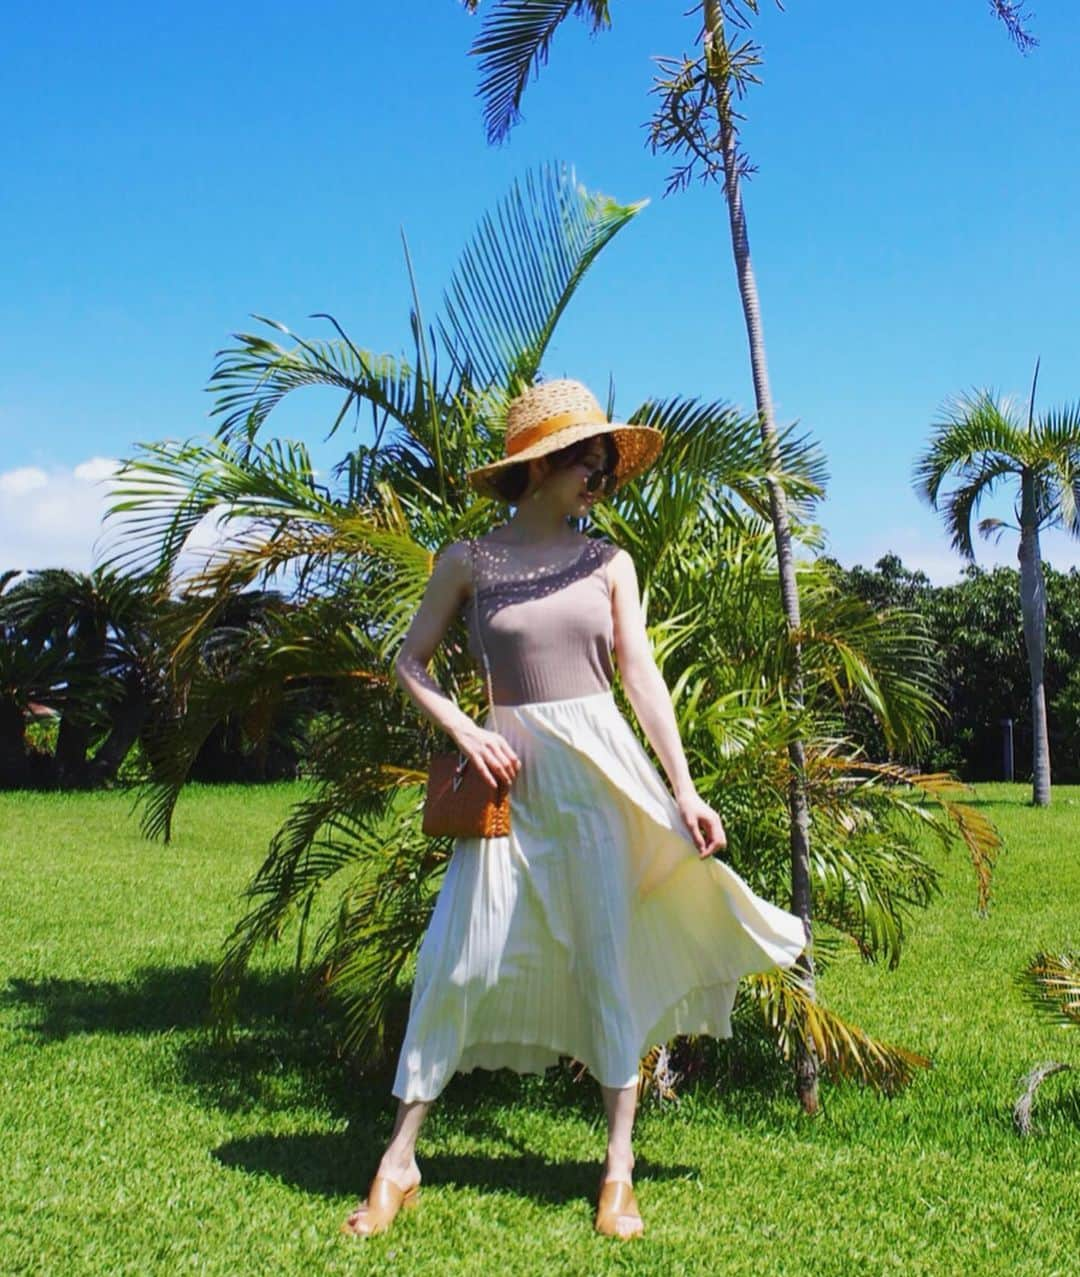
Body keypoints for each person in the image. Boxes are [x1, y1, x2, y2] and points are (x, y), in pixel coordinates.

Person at [341, 379, 807, 1241]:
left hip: (596, 778)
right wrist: (464, 730)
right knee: (457, 960)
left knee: (605, 963)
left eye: (604, 461)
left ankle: (618, 1169)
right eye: (587, 458)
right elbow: (411, 662)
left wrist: (685, 789)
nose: (600, 474)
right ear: (543, 463)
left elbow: (641, 679)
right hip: (510, 783)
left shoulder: (609, 565)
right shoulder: (468, 561)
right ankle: (398, 1161)